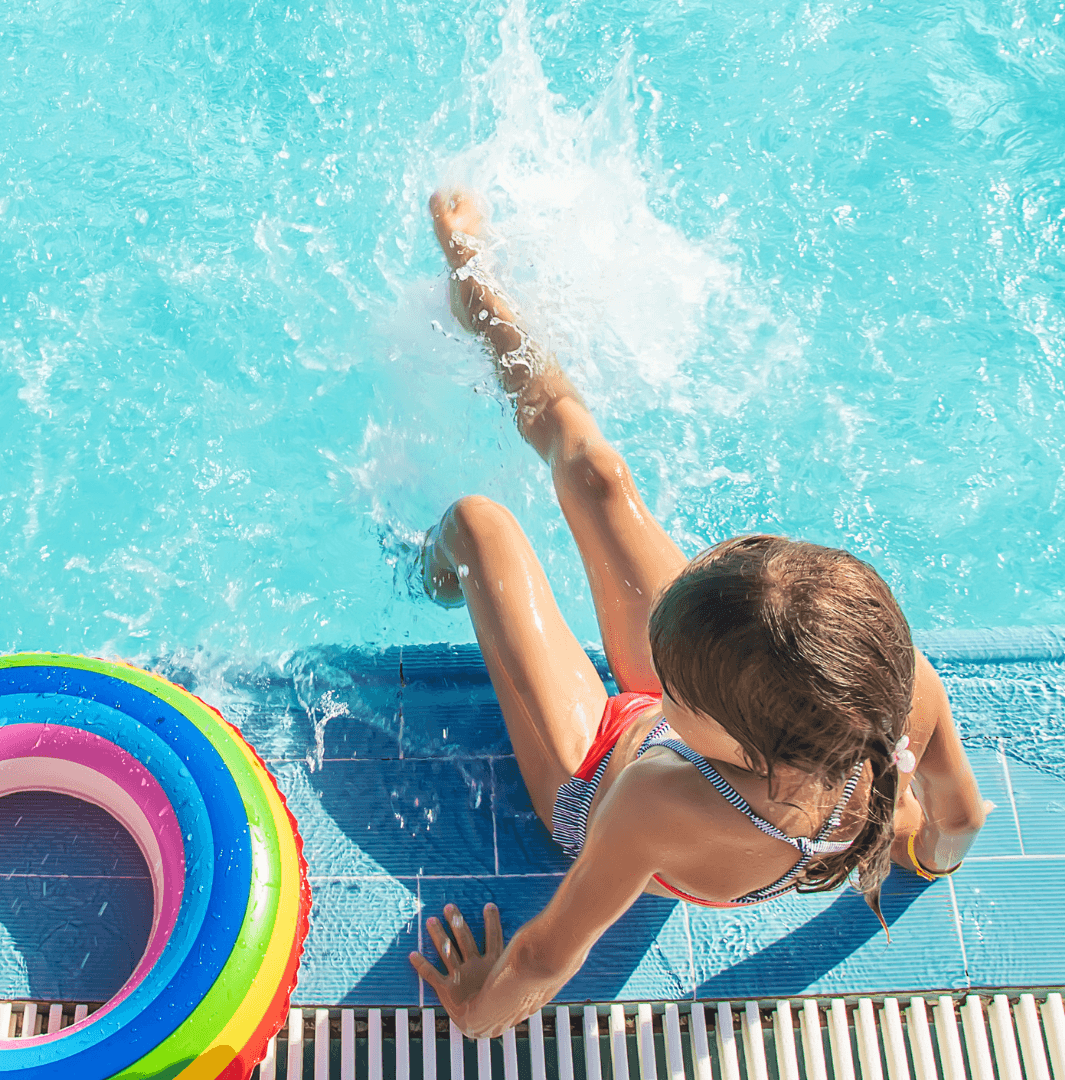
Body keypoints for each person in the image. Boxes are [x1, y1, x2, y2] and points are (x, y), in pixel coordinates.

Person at [409, 189, 990, 1037]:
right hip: (748, 732)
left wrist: (473, 1015)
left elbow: (544, 959)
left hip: (594, 777)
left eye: (670, 679)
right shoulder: (893, 691)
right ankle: (483, 299)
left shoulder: (656, 801)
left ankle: (428, 575)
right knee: (601, 476)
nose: (651, 665)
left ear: (720, 727)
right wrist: (921, 858)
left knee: (478, 524)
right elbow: (962, 819)